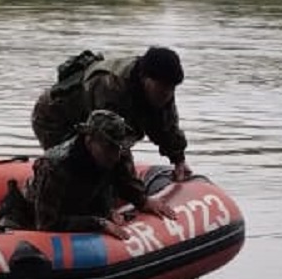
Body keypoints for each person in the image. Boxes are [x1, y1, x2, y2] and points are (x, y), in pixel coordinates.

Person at [30, 45, 195, 182]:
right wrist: (139, 198)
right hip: (55, 117)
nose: (167, 94)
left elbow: (166, 126)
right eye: (162, 88)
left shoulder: (162, 87)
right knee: (75, 169)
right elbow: (109, 143)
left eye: (171, 88)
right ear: (146, 79)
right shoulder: (112, 86)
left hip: (88, 116)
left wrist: (179, 160)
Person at [2, 109, 175, 238]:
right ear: (89, 140)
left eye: (117, 148)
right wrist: (98, 223)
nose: (114, 155)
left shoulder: (117, 155)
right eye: (108, 147)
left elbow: (126, 185)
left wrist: (144, 201)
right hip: (31, 216)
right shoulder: (57, 165)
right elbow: (47, 223)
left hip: (81, 207)